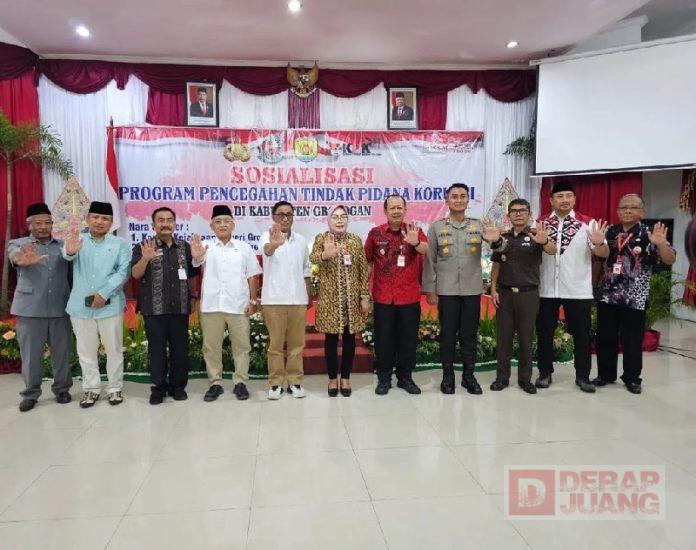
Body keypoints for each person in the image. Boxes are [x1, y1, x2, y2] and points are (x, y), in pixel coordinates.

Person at [592, 194, 676, 394]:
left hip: (635, 298)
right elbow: (602, 255)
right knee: (605, 338)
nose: (628, 211)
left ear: (641, 212)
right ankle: (605, 374)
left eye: (633, 207)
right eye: (624, 207)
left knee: (632, 340)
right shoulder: (610, 231)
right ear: (618, 211)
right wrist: (599, 244)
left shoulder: (650, 234)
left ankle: (631, 378)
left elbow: (670, 259)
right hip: (608, 295)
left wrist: (661, 244)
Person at [423, 183, 501, 395]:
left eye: (462, 196)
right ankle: (448, 376)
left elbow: (499, 250)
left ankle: (469, 376)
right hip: (446, 291)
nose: (458, 200)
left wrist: (495, 241)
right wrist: (430, 289)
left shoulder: (478, 226)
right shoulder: (436, 227)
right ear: (447, 201)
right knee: (448, 335)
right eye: (454, 196)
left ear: (468, 200)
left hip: (471, 290)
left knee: (469, 335)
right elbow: (430, 261)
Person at [535, 181, 609, 393]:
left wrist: (599, 243)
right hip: (546, 289)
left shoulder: (588, 223)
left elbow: (603, 255)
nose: (564, 200)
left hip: (577, 289)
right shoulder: (539, 223)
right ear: (551, 200)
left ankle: (583, 376)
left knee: (582, 335)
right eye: (560, 196)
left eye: (569, 196)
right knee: (544, 333)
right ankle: (545, 373)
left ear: (575, 199)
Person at [63, 201, 131, 408]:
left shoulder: (120, 244)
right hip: (80, 307)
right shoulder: (77, 240)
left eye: (105, 219)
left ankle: (114, 387)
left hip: (110, 306)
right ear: (88, 219)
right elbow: (66, 255)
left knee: (114, 350)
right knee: (86, 351)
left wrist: (103, 293)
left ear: (111, 223)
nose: (100, 222)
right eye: (95, 217)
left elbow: (123, 272)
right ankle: (91, 389)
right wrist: (70, 252)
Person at [191, 205, 262, 402]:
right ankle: (215, 383)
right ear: (211, 226)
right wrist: (197, 256)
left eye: (226, 221)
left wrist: (253, 301)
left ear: (233, 225)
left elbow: (253, 275)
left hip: (238, 306)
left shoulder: (244, 247)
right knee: (211, 347)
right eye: (218, 222)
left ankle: (240, 382)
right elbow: (197, 261)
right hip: (211, 306)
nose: (222, 225)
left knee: (242, 347)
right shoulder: (205, 246)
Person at [131, 207, 199, 405]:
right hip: (154, 309)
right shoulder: (143, 246)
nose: (165, 224)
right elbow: (135, 274)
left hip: (180, 307)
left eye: (169, 220)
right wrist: (146, 258)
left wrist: (193, 297)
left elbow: (192, 275)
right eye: (160, 220)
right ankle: (158, 388)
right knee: (157, 350)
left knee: (180, 350)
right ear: (153, 225)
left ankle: (178, 387)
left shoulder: (184, 247)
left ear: (175, 224)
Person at [9, 203, 72, 412]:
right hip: (30, 310)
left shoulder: (63, 246)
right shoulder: (19, 244)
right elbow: (14, 256)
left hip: (60, 308)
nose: (43, 227)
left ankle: (62, 389)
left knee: (62, 354)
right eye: (38, 223)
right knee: (31, 357)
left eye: (47, 222)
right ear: (29, 225)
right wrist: (21, 259)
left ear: (53, 224)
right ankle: (30, 394)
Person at [489, 199, 556, 394]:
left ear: (529, 214)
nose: (518, 214)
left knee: (526, 339)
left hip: (528, 294)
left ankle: (525, 379)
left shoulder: (536, 235)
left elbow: (552, 250)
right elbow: (497, 264)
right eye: (514, 211)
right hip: (505, 294)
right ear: (508, 215)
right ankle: (502, 378)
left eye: (522, 210)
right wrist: (493, 288)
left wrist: (545, 241)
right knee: (504, 339)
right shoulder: (502, 237)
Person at [365, 194, 428, 395]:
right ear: (385, 211)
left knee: (408, 340)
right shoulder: (375, 233)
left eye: (399, 207)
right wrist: (364, 293)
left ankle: (405, 378)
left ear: (405, 210)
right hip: (383, 297)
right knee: (383, 340)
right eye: (392, 208)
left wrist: (415, 242)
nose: (396, 211)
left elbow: (426, 250)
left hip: (409, 297)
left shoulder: (414, 230)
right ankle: (384, 378)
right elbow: (368, 262)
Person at [310, 206, 370, 397]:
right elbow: (312, 258)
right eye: (335, 217)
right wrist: (324, 255)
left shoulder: (355, 240)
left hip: (351, 302)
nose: (339, 220)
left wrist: (364, 297)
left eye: (343, 216)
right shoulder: (322, 238)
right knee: (331, 340)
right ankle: (332, 379)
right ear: (329, 220)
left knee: (350, 339)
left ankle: (345, 378)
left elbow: (363, 270)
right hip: (330, 302)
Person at [261, 201, 312, 400]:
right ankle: (275, 383)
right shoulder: (266, 236)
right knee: (275, 345)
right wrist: (274, 245)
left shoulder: (301, 240)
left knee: (297, 345)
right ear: (273, 217)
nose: (285, 218)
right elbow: (267, 250)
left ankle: (294, 382)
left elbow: (306, 269)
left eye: (289, 214)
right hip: (273, 300)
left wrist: (307, 294)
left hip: (298, 299)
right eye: (281, 214)